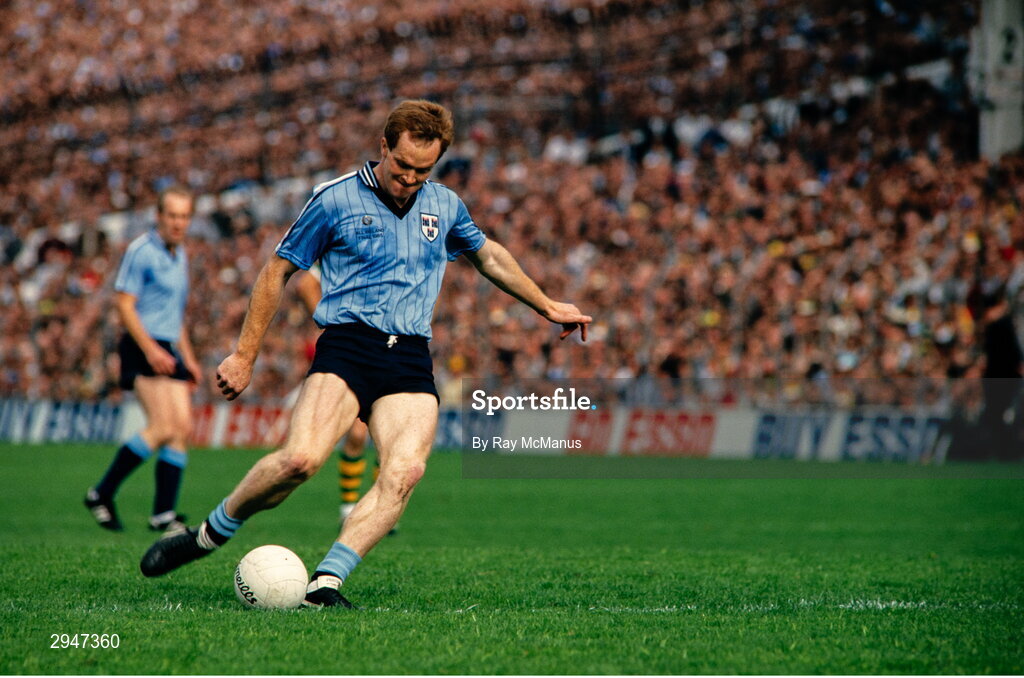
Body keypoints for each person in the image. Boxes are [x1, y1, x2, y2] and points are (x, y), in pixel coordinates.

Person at [139, 100, 591, 607]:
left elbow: (487, 256)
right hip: (349, 344)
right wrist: (244, 355)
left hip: (410, 355)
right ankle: (209, 534)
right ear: (383, 146)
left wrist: (548, 304)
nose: (410, 179)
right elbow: (277, 271)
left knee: (406, 472)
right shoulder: (333, 200)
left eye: (424, 170)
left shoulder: (444, 205)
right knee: (301, 461)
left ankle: (325, 582)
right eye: (402, 167)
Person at [85, 186, 201, 533]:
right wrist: (151, 349)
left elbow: (174, 313)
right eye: (173, 215)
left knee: (181, 428)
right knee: (164, 427)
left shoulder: (179, 253)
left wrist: (189, 357)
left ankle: (163, 514)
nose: (179, 222)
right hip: (143, 344)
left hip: (168, 344)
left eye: (184, 216)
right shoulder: (141, 251)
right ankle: (101, 492)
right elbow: (123, 304)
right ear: (159, 216)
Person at [293, 270, 377, 526]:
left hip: (390, 346)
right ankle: (349, 507)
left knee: (389, 438)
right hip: (353, 349)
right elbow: (306, 282)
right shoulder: (349, 248)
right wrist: (330, 320)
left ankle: (381, 505)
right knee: (356, 434)